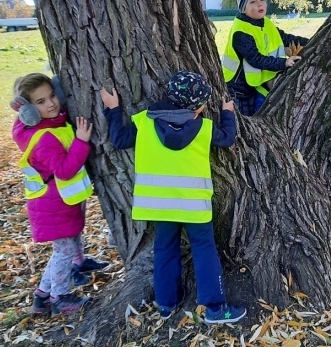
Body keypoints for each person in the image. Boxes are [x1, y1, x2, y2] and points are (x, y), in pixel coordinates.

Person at [100, 71, 246, 325]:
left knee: (165, 250)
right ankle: (214, 308)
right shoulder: (204, 128)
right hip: (194, 206)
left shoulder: (144, 122)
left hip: (159, 206)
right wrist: (228, 112)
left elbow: (119, 139)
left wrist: (113, 110)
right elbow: (228, 137)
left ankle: (166, 304)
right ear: (197, 107)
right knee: (204, 250)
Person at [11, 73, 108, 316]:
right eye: (41, 102)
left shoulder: (47, 124)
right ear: (28, 111)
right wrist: (81, 142)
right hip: (54, 206)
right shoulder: (44, 138)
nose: (52, 103)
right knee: (64, 252)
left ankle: (41, 297)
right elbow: (64, 171)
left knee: (64, 250)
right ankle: (60, 298)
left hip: (59, 203)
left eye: (52, 95)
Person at [222, 0, 309, 115]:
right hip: (236, 89)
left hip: (254, 86)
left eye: (262, 0)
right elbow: (255, 59)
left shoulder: (265, 23)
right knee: (243, 124)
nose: (259, 4)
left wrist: (311, 42)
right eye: (253, 1)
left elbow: (285, 38)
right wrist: (283, 63)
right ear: (243, 8)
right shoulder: (241, 31)